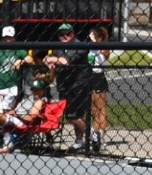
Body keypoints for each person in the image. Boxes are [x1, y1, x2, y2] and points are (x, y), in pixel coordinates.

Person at [44, 23, 92, 152]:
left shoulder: (79, 45)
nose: (64, 36)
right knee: (75, 115)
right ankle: (79, 141)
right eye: (61, 34)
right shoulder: (58, 47)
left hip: (78, 85)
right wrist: (51, 61)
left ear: (72, 34)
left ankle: (92, 134)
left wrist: (52, 59)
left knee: (73, 115)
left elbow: (65, 61)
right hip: (64, 85)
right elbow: (49, 60)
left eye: (67, 34)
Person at [88, 26, 111, 154]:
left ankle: (98, 134)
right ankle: (96, 133)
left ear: (99, 37)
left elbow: (102, 59)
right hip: (89, 77)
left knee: (101, 108)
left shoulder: (103, 48)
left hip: (98, 77)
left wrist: (96, 42)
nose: (90, 37)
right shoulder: (90, 47)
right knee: (94, 109)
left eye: (93, 35)